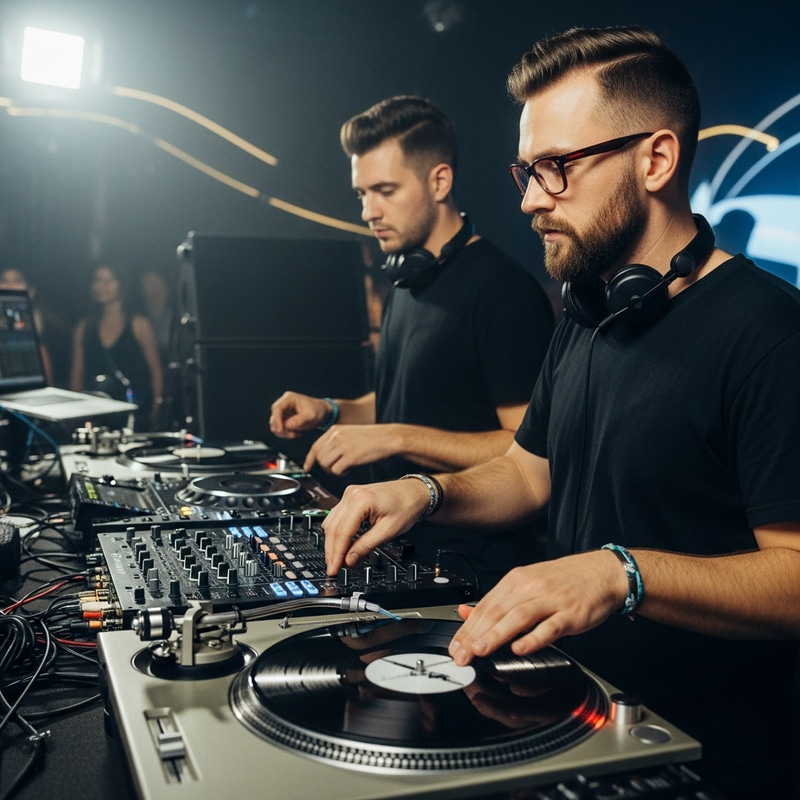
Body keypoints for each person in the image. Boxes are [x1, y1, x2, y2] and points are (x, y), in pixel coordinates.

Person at [321, 27, 800, 800]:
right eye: (526, 169)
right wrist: (426, 491)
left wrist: (623, 573)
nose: (530, 197)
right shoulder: (589, 313)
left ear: (657, 159)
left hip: (707, 765)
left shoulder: (771, 335)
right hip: (576, 724)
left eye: (556, 168)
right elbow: (527, 470)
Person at [270, 95, 554, 592]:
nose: (368, 210)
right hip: (398, 555)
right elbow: (412, 397)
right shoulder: (406, 281)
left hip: (472, 577)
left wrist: (395, 436)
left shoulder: (503, 294)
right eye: (361, 193)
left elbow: (527, 446)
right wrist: (332, 411)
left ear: (439, 181)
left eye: (384, 190)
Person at [70, 264, 164, 430]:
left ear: (121, 284)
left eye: (109, 280)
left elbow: (156, 371)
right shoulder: (84, 328)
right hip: (96, 415)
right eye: (98, 280)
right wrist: (74, 416)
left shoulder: (139, 325)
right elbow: (77, 376)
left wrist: (157, 408)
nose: (102, 286)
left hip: (133, 414)